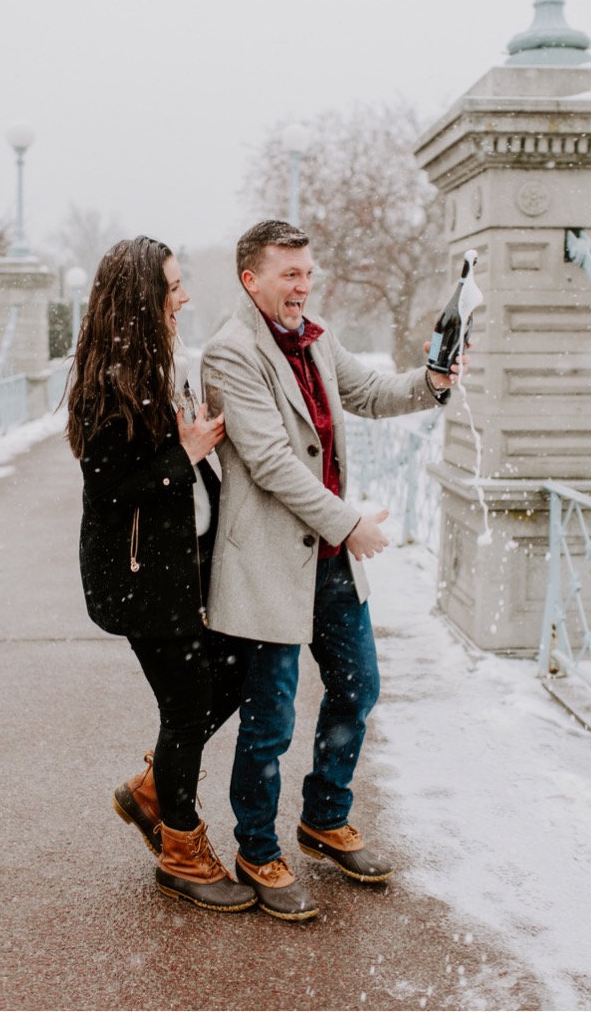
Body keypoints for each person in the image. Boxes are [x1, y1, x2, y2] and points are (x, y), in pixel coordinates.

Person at [200, 219, 464, 921]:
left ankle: (323, 818)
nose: (303, 285)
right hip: (268, 563)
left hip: (328, 561)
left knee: (358, 688)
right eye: (289, 273)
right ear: (250, 278)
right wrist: (350, 522)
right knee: (270, 719)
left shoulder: (313, 338)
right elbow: (270, 461)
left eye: (307, 272)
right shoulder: (230, 354)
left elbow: (373, 393)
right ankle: (257, 849)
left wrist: (431, 381)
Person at [68, 235, 255, 913]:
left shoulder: (152, 365)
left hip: (177, 566)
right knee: (186, 706)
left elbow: (169, 462)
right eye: (173, 285)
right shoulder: (106, 383)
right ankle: (180, 845)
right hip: (139, 578)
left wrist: (197, 443)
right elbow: (110, 490)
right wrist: (186, 450)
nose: (184, 295)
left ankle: (152, 791)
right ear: (142, 296)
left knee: (231, 670)